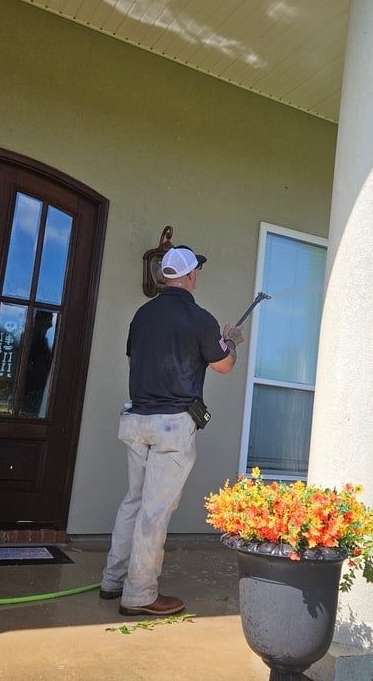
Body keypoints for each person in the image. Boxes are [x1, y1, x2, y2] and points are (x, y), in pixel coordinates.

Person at [101, 244, 244, 616]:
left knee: (133, 501)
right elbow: (224, 365)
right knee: (155, 510)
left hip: (135, 421)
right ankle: (140, 594)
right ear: (190, 275)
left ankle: (113, 580)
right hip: (171, 426)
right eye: (196, 270)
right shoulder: (199, 318)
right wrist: (231, 343)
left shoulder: (142, 315)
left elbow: (134, 359)